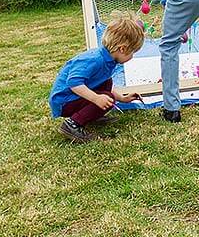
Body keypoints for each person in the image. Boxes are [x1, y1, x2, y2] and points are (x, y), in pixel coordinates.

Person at [50, 12, 145, 143]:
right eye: (132, 52)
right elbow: (73, 83)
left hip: (74, 97)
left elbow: (105, 86)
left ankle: (91, 116)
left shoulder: (109, 60)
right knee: (107, 97)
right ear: (122, 49)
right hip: (64, 101)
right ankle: (72, 124)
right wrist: (96, 98)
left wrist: (123, 98)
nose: (132, 57)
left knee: (107, 83)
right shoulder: (95, 60)